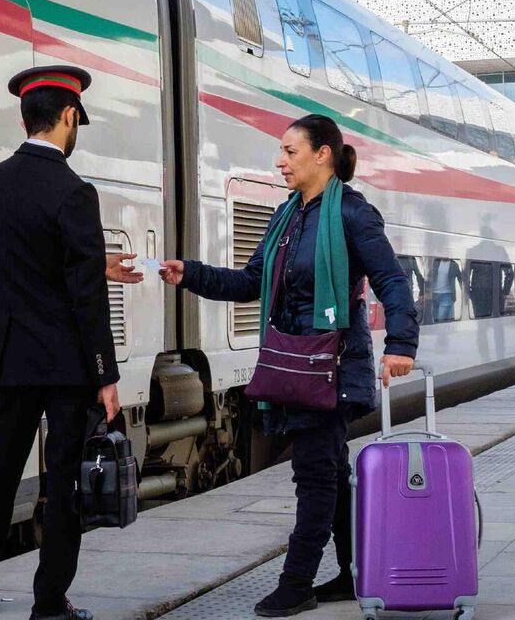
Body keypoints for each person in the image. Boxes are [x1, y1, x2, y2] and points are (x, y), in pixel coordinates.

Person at [158, 114, 417, 618]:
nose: (280, 161)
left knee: (315, 475)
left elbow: (392, 280)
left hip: (332, 367)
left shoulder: (352, 214)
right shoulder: (287, 216)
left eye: (290, 151)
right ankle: (354, 572)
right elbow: (249, 281)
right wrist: (189, 273)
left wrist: (401, 343)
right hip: (293, 364)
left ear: (323, 154)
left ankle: (296, 583)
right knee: (332, 473)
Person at [0, 65, 124, 620]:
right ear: (69, 116)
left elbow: (27, 261)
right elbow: (82, 295)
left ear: (23, 116)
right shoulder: (75, 192)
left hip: (12, 358)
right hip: (65, 366)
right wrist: (106, 373)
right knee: (64, 485)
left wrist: (93, 265)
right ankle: (49, 602)